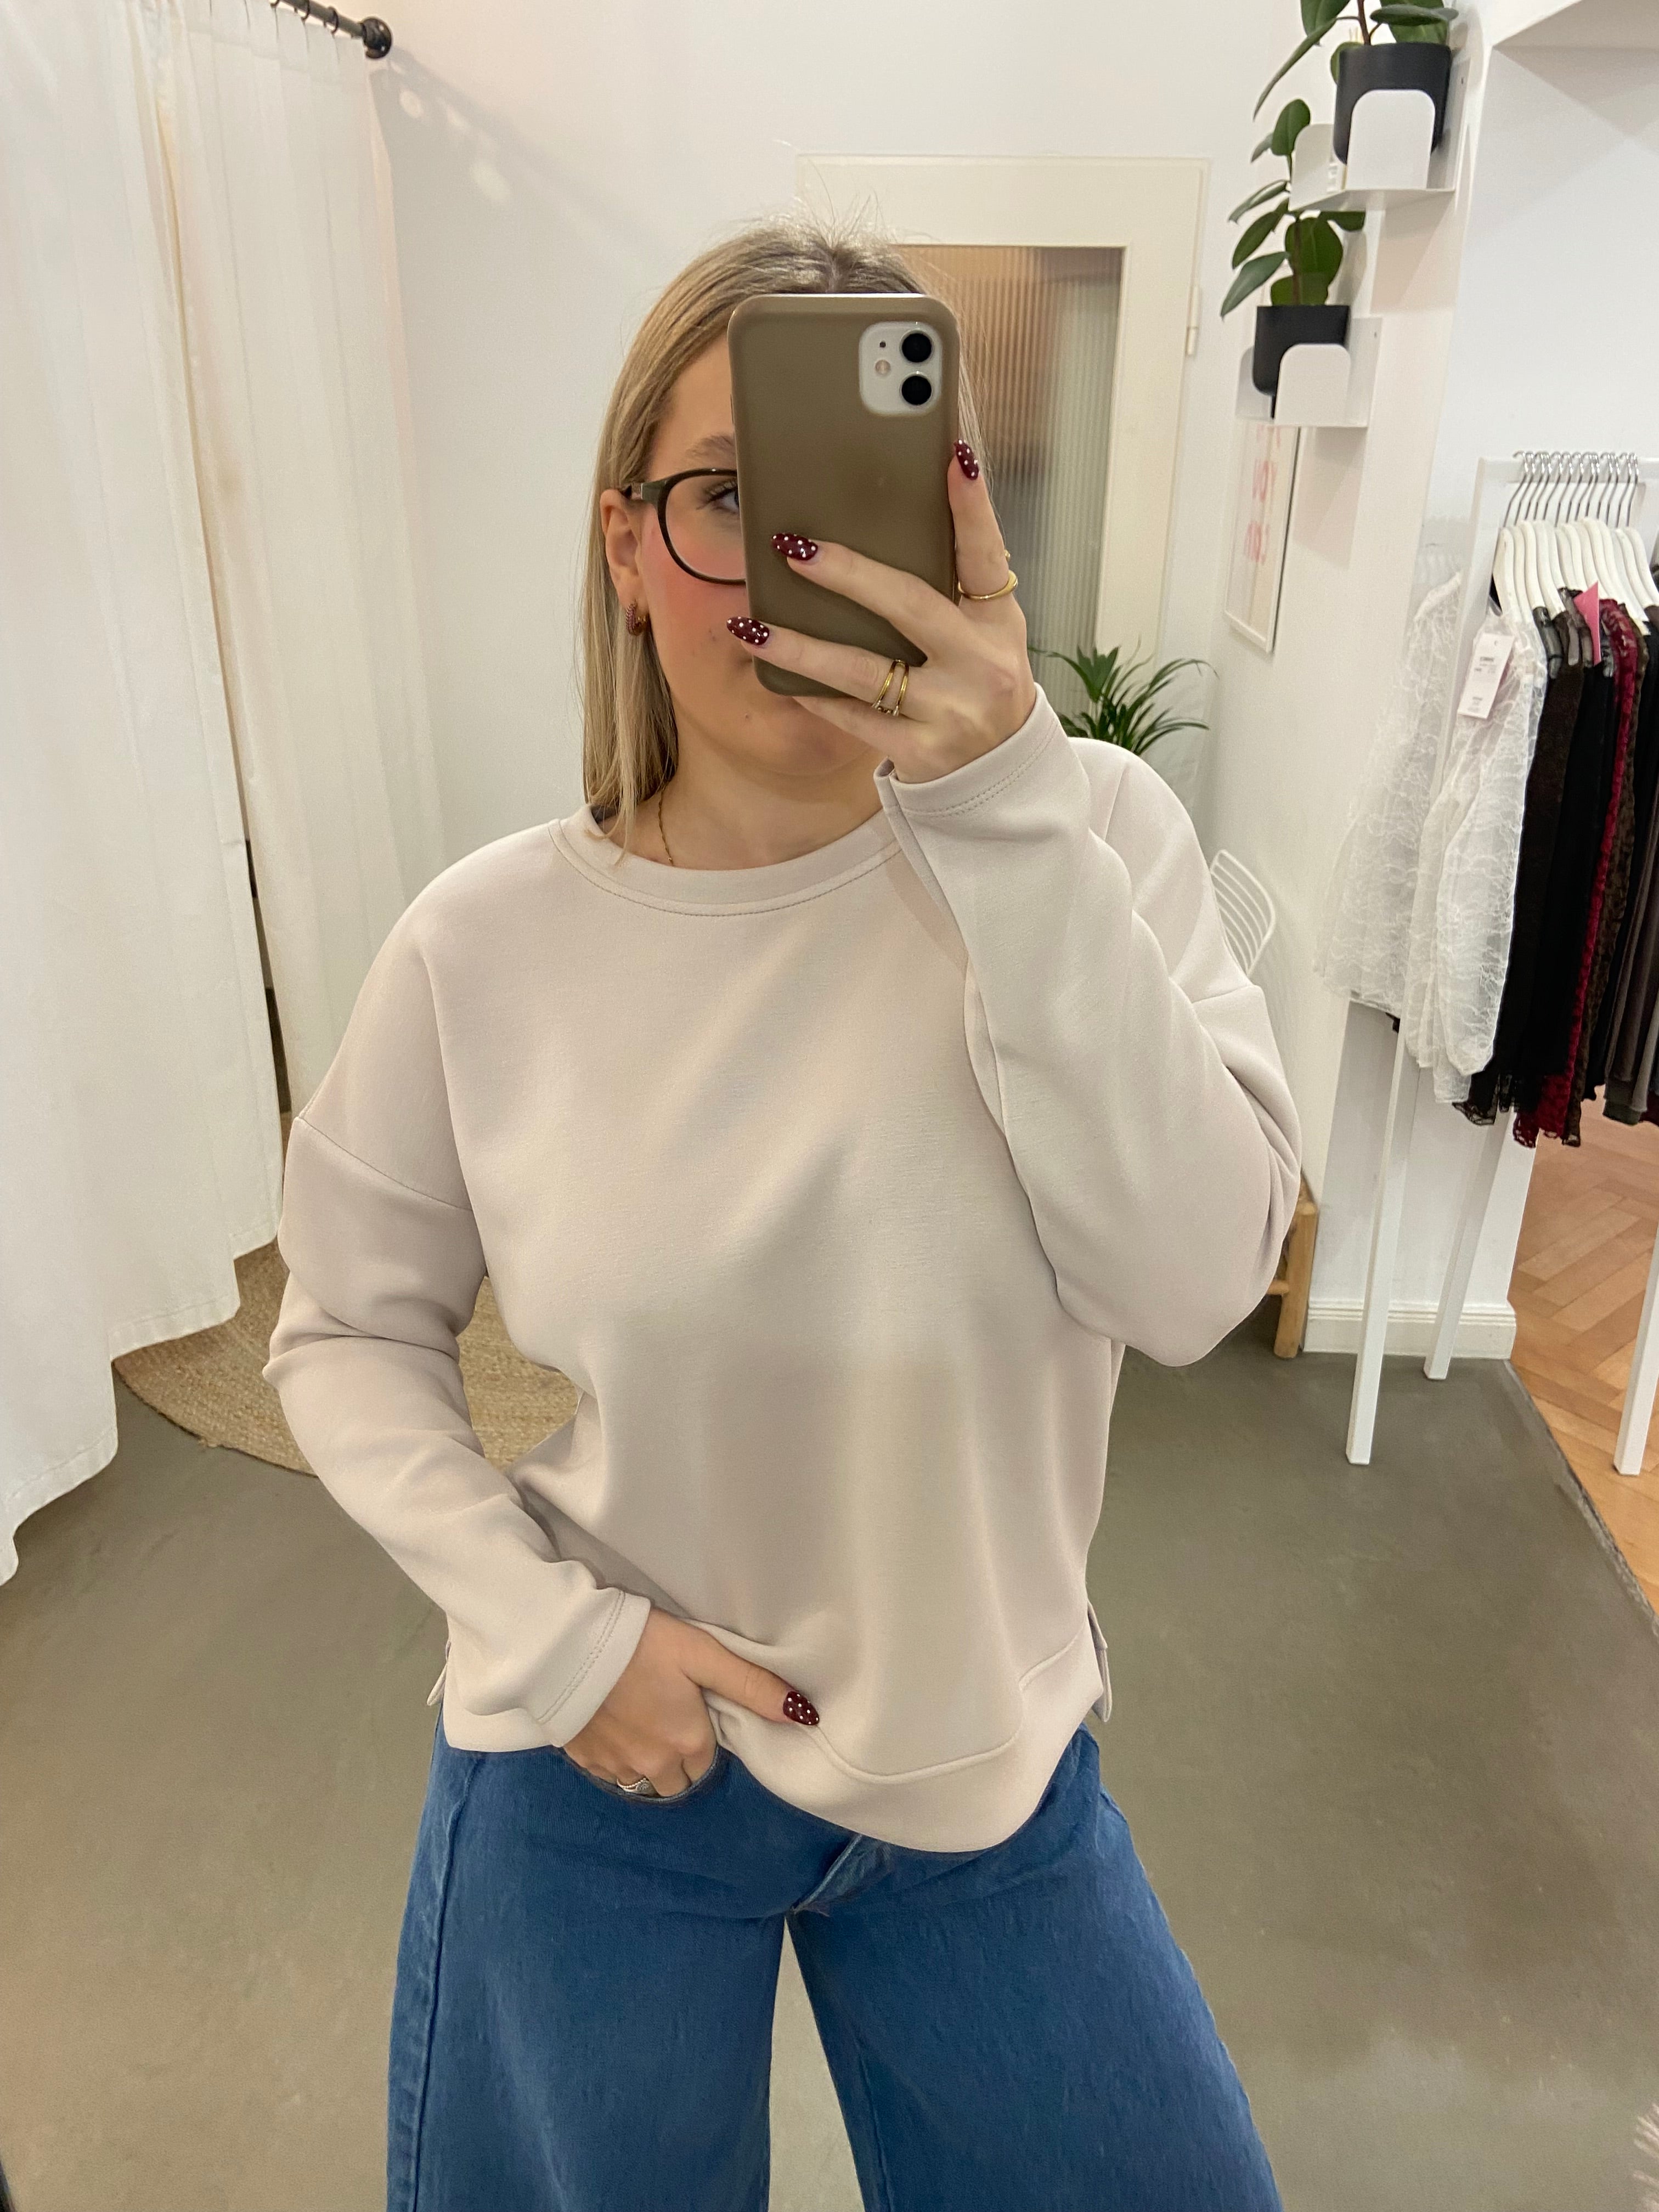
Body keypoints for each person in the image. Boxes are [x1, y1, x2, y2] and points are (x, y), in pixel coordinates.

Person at [263, 211, 1302, 2212]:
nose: (792, 564)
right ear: (623, 542)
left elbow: (1191, 1283)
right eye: (728, 498)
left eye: (853, 495)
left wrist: (1006, 806)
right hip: (605, 1755)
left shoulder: (1091, 838)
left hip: (981, 1757)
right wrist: (553, 1642)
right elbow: (346, 1326)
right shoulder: (486, 943)